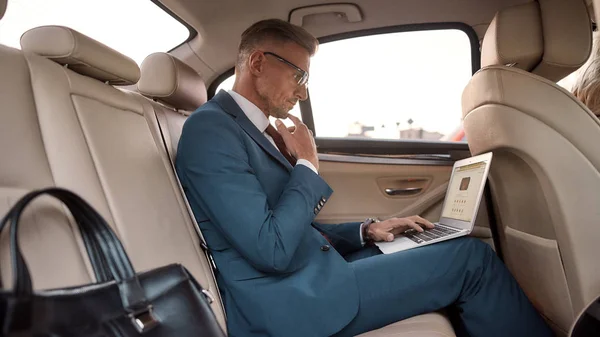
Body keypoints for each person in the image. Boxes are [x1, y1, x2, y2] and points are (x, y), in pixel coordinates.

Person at [175, 19, 553, 337]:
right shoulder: (211, 130)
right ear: (258, 62)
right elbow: (270, 248)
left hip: (311, 274)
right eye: (298, 74)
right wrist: (306, 164)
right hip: (290, 303)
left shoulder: (250, 131)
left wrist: (367, 232)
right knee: (471, 260)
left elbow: (290, 228)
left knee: (438, 245)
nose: (302, 90)